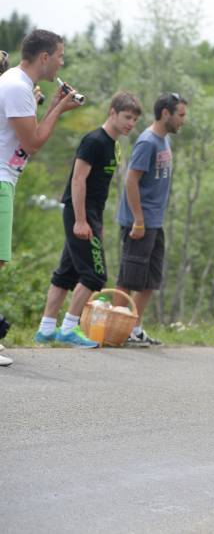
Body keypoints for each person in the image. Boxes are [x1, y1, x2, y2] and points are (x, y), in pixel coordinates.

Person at [34, 92, 142, 347]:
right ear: (112, 113)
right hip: (78, 211)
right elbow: (78, 179)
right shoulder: (94, 141)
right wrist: (81, 221)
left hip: (91, 214)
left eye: (135, 120)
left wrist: (96, 223)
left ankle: (46, 329)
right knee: (95, 275)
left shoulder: (113, 145)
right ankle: (69, 328)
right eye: (127, 117)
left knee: (66, 274)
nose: (130, 123)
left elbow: (99, 189)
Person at [0, 30, 82, 366]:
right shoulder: (17, 86)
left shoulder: (15, 84)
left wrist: (39, 107)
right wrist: (59, 108)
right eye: (60, 55)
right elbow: (33, 142)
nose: (62, 62)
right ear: (45, 57)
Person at [113, 92, 187, 346]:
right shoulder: (148, 142)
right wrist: (138, 220)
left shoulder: (164, 141)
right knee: (129, 278)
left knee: (150, 280)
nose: (183, 121)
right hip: (139, 222)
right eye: (181, 115)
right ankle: (116, 330)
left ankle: (133, 328)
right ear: (165, 114)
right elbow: (131, 180)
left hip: (155, 221)